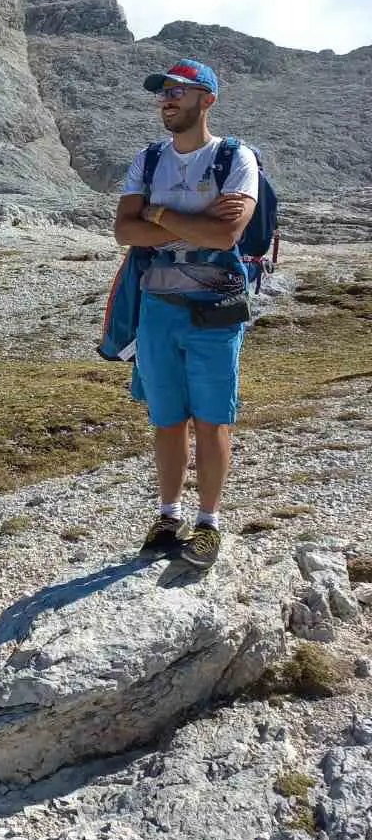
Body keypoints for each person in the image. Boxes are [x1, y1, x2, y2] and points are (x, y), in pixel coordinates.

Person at [113, 59, 259, 569]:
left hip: (214, 309)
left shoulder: (235, 158)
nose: (167, 99)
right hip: (157, 308)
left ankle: (209, 523)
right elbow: (125, 232)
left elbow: (225, 235)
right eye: (164, 92)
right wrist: (191, 221)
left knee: (212, 419)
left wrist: (156, 215)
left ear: (207, 100)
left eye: (179, 90)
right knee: (167, 418)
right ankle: (167, 516)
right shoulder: (148, 159)